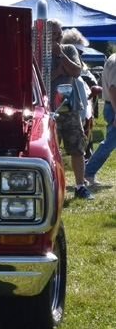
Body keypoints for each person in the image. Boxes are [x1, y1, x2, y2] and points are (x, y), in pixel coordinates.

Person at [49, 19, 94, 200]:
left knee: (77, 149)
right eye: (54, 33)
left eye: (60, 32)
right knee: (51, 151)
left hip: (70, 109)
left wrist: (61, 56)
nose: (59, 36)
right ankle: (52, 188)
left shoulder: (68, 50)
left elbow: (76, 72)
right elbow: (36, 78)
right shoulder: (36, 52)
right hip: (47, 111)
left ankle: (80, 186)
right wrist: (60, 71)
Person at [84, 52, 116, 186]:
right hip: (113, 107)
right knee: (110, 142)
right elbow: (113, 88)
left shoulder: (112, 57)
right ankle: (88, 172)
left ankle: (88, 171)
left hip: (112, 106)